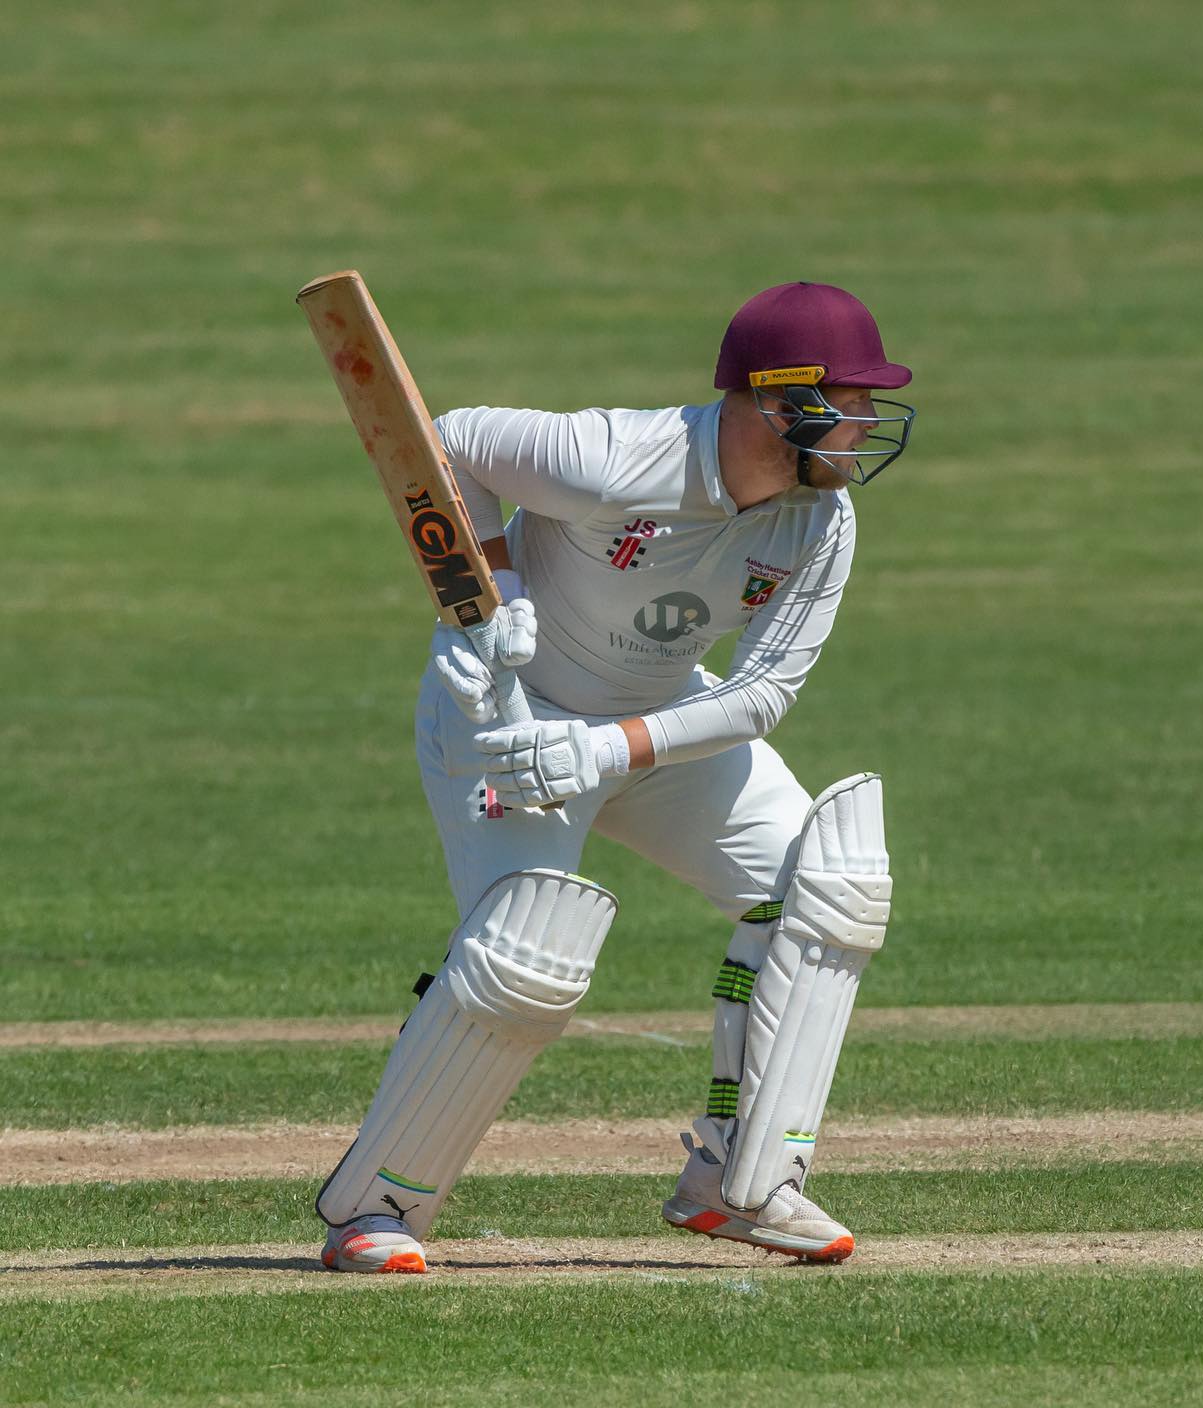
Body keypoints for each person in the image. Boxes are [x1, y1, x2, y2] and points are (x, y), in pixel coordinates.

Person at [316, 281, 913, 1272]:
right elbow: (449, 440)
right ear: (778, 400)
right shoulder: (618, 457)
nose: (863, 422)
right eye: (849, 398)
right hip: (506, 722)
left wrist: (609, 745)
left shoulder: (821, 522)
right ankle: (377, 1206)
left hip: (652, 726)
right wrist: (495, 585)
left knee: (828, 880)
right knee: (525, 964)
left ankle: (742, 1180)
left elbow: (762, 692)